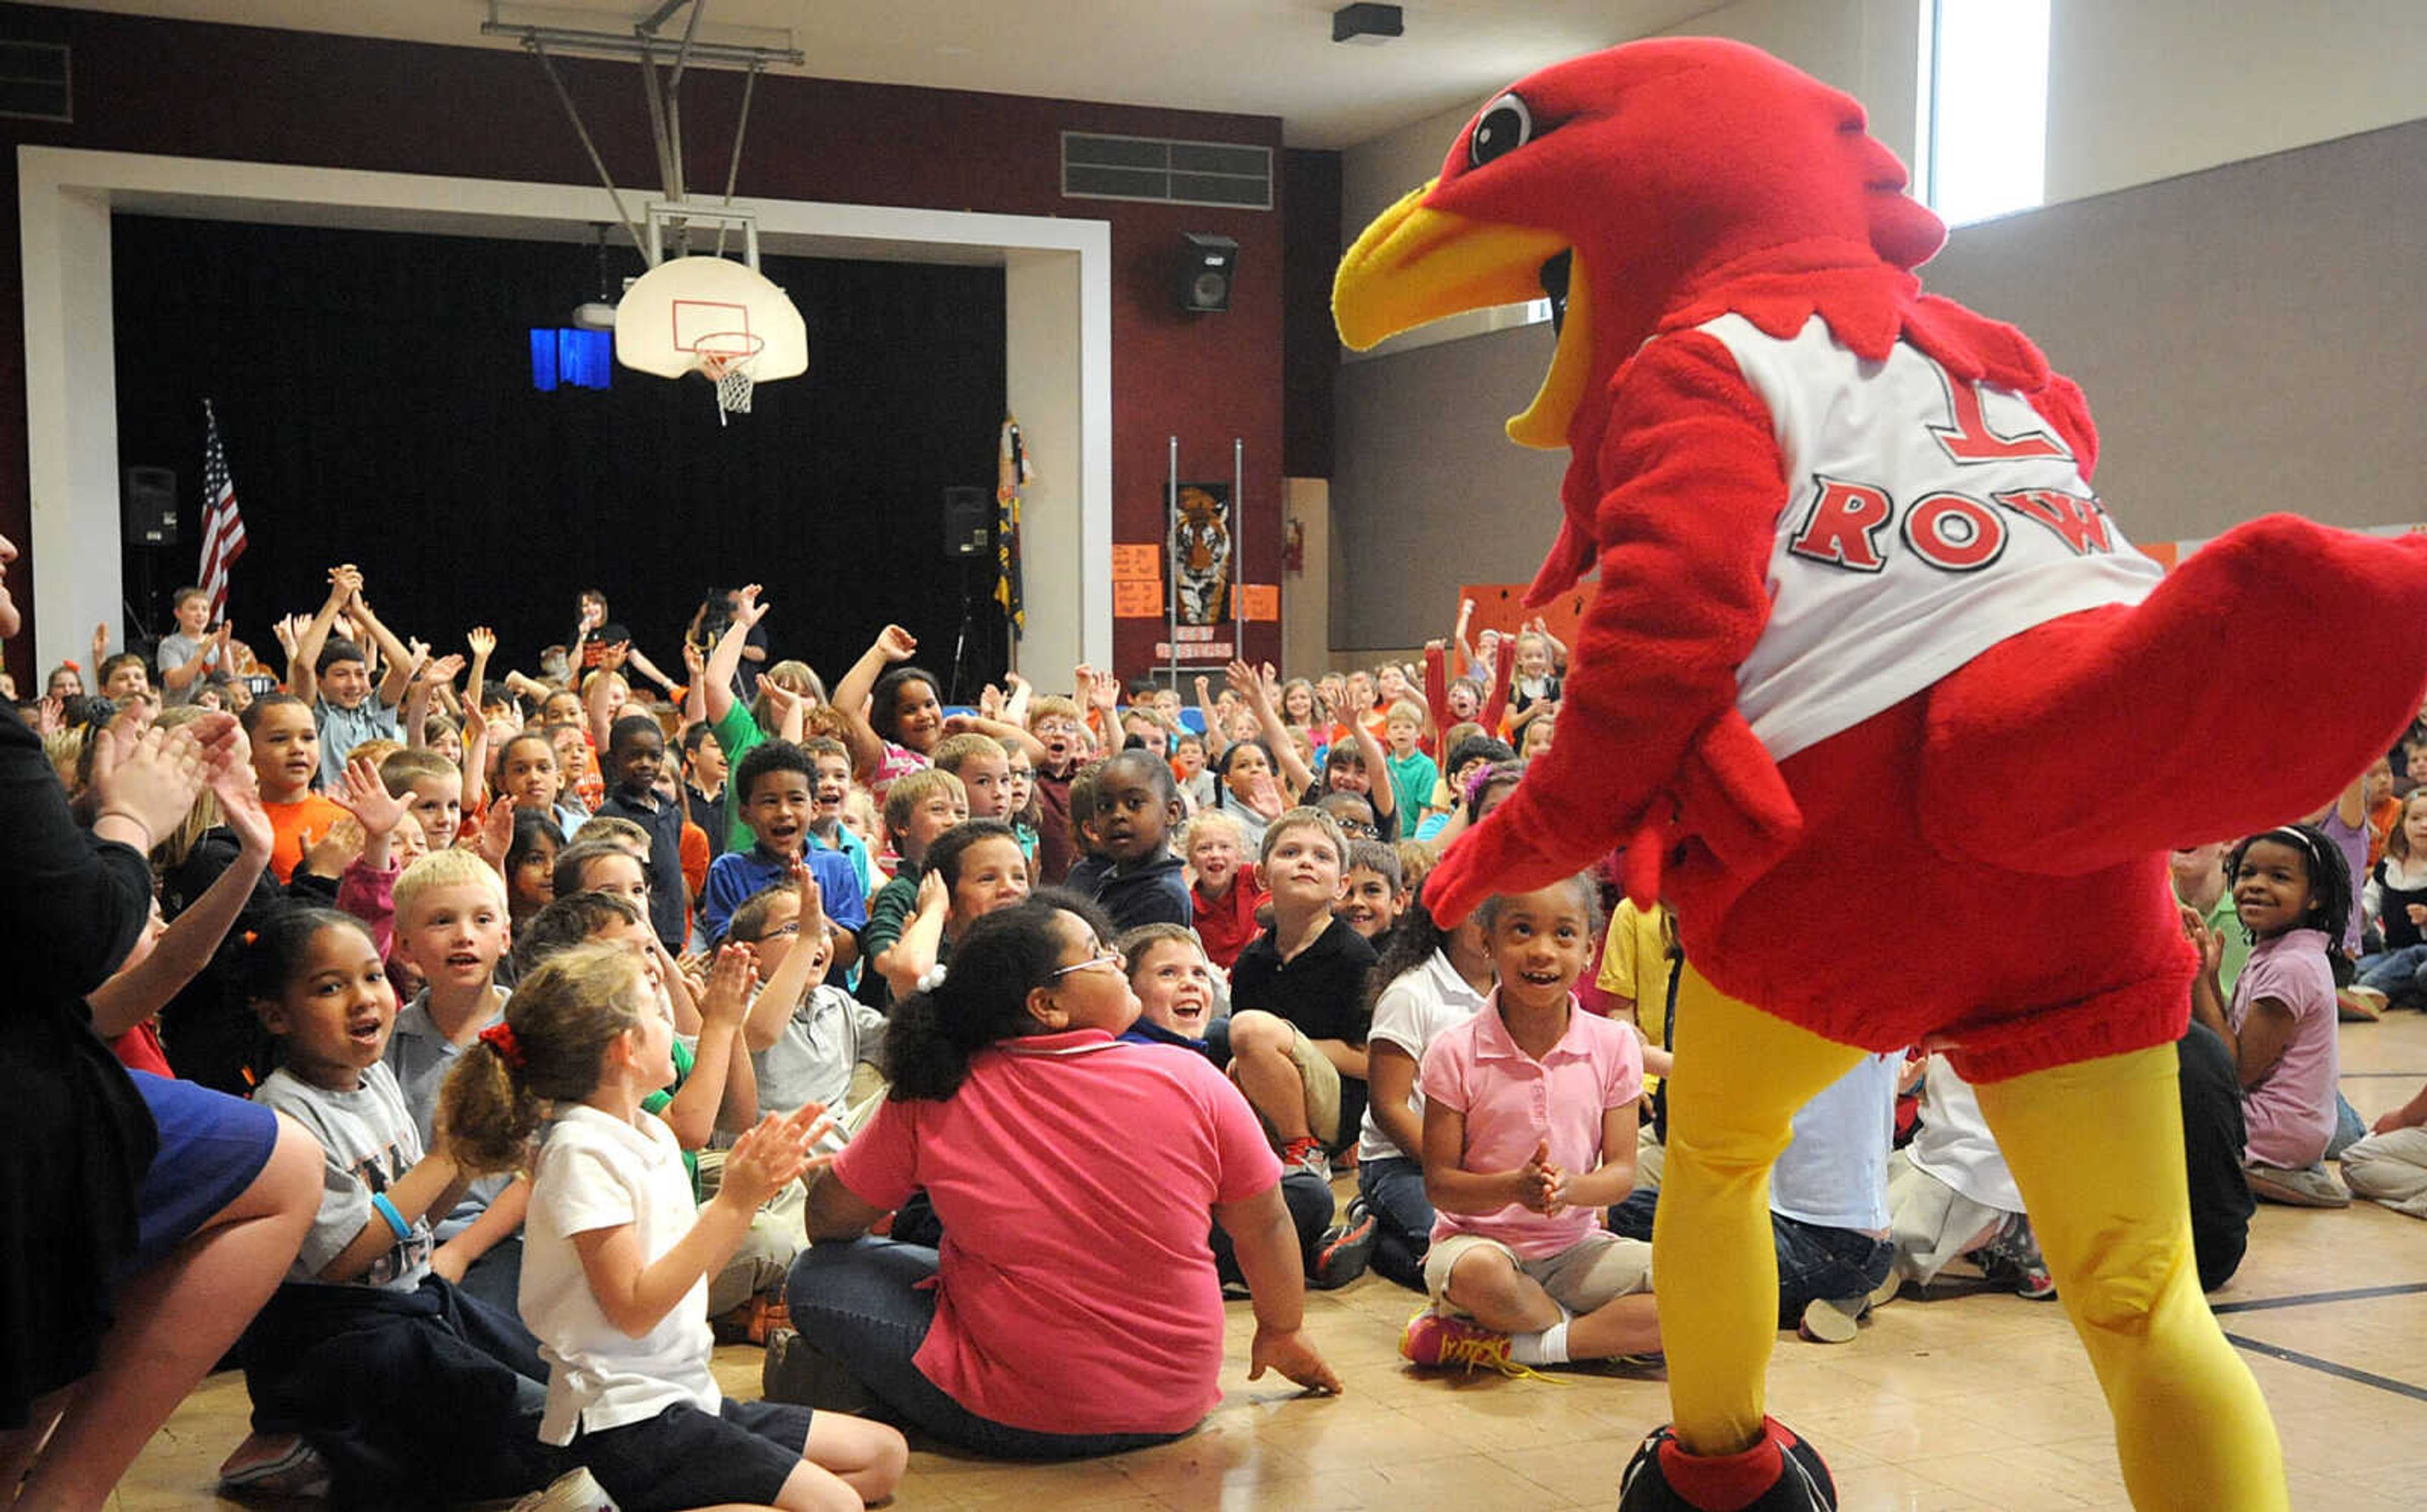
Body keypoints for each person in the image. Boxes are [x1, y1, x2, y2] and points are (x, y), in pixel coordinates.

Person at [788, 896, 1340, 1458]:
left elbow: (828, 1224)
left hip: (1020, 1418)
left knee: (819, 1275)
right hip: (1176, 1401)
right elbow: (1267, 1224)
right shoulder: (1192, 1076)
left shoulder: (938, 1088)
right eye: (1098, 955)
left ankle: (876, 1394)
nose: (1118, 961)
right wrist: (1282, 1328)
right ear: (1046, 1004)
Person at [1, 558, 322, 1507]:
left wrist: (253, 852)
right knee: (278, 1167)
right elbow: (84, 939)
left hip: (44, 1090)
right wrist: (128, 822)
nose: (12, 549)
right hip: (26, 1126)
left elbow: (95, 1006)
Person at [441, 942, 907, 1512]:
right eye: (658, 1012)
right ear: (626, 1048)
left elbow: (690, 1281)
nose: (671, 1023)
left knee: (884, 1455)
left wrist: (747, 1193)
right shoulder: (578, 1150)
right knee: (834, 1504)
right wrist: (735, 1202)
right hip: (622, 1421)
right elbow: (633, 1308)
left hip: (684, 1396)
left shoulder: (650, 1131)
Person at [225, 907, 571, 1504]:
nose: (363, 999)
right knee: (509, 1421)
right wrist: (445, 1155)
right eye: (330, 987)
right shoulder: (283, 1112)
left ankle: (333, 1446)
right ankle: (310, 1441)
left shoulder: (374, 1078)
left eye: (372, 976)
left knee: (552, 1374)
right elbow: (341, 1260)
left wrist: (466, 1160)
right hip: (334, 1336)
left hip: (410, 1303)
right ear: (276, 1013)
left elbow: (416, 1221)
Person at [1400, 876, 1662, 1372]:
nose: (1542, 951)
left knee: (1691, 1291)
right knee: (1483, 1276)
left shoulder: (1614, 1044)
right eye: (1521, 930)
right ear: (1487, 941)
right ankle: (1581, 1331)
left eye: (1564, 934)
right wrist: (1514, 1188)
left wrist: (1571, 1189)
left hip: (1576, 1249)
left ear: (1589, 950)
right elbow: (1441, 1186)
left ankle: (1521, 1342)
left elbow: (1622, 1173)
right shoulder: (1454, 1050)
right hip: (1479, 1246)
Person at [2187, 825, 2353, 1206]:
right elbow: (2229, 1039)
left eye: (2279, 877)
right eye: (2247, 873)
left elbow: (2237, 1070)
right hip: (2291, 1127)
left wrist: (2197, 983)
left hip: (2274, 1132)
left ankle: (2259, 1172)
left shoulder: (2290, 967)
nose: (2256, 885)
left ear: (2316, 897)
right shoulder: (2280, 952)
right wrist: (2210, 975)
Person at [1228, 807, 1379, 1183]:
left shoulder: (1355, 956)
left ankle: (1307, 1149)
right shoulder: (1252, 961)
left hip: (1344, 1104)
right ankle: (1268, 1152)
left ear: (1340, 885)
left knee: (1252, 1033)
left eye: (1322, 856)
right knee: (1234, 1062)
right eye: (1290, 853)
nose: (1306, 863)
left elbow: (1375, 1061)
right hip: (1280, 1093)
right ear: (1262, 875)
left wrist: (1286, 1043)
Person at [1354, 893, 1493, 1292]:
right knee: (1455, 1261)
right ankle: (1375, 1235)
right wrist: (1457, 1168)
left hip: (1484, 1162)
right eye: (1481, 908)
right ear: (1446, 916)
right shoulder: (1411, 994)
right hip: (1403, 1162)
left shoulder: (1515, 988)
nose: (1492, 921)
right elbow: (1388, 1107)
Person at [703, 740, 870, 959]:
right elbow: (724, 950)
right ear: (745, 813)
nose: (784, 812)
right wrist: (785, 903)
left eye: (796, 800)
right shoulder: (728, 871)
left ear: (815, 808)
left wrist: (811, 909)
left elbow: (849, 954)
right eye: (770, 801)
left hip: (825, 991)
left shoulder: (837, 867)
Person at [595, 713, 689, 953]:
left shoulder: (671, 811)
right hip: (632, 927)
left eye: (654, 756)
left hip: (672, 927)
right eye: (634, 756)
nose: (646, 763)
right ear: (615, 761)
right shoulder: (610, 814)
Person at [1083, 748, 1191, 931]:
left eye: (1134, 803)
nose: (1117, 815)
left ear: (1171, 812)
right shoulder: (1112, 877)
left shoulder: (1162, 898)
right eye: (1105, 806)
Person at [1183, 807, 1265, 971]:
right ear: (1191, 860)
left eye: (1225, 847)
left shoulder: (1253, 879)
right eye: (1204, 849)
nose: (1215, 854)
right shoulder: (1188, 908)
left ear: (1238, 858)